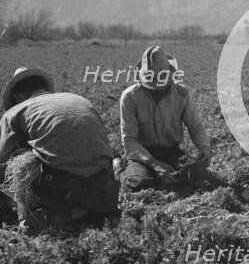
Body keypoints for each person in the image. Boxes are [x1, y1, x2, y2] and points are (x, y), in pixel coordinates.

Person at [0, 68, 119, 230]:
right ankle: (89, 212)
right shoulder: (81, 100)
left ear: (17, 96)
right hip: (104, 189)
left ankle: (37, 219)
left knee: (21, 166)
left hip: (61, 191)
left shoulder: (16, 111)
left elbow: (2, 157)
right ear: (45, 88)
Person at [117, 46, 211, 192]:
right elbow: (129, 140)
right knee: (140, 186)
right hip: (141, 155)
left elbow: (195, 126)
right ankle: (118, 167)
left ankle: (159, 179)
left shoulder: (182, 94)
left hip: (171, 152)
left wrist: (204, 147)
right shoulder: (130, 97)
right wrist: (154, 164)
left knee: (200, 176)